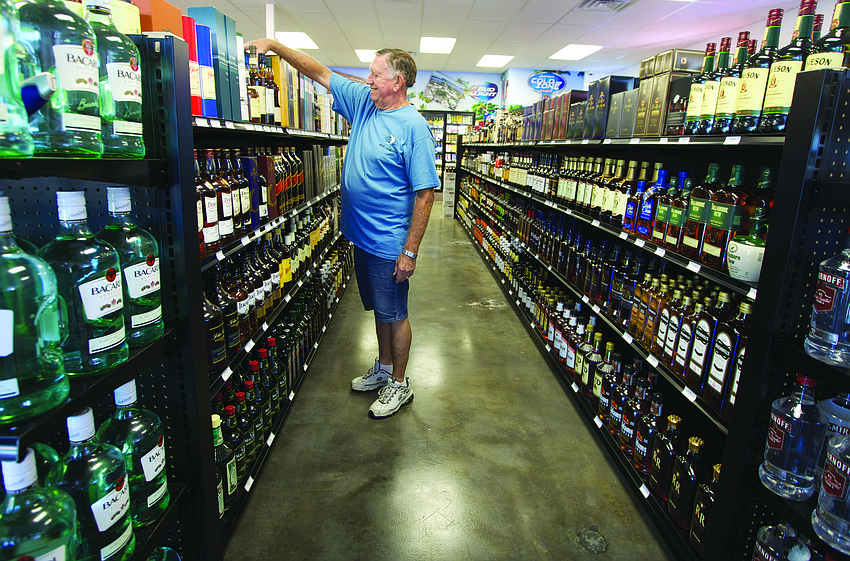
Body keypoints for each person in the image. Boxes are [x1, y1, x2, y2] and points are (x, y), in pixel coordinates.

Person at [244, 39, 439, 419]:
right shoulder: (366, 102)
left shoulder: (414, 128)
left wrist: (410, 251)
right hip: (360, 236)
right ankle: (384, 369)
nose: (368, 80)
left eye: (376, 74)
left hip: (388, 242)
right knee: (379, 310)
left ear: (397, 82)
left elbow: (426, 195)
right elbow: (318, 72)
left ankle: (400, 383)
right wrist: (274, 45)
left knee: (395, 312)